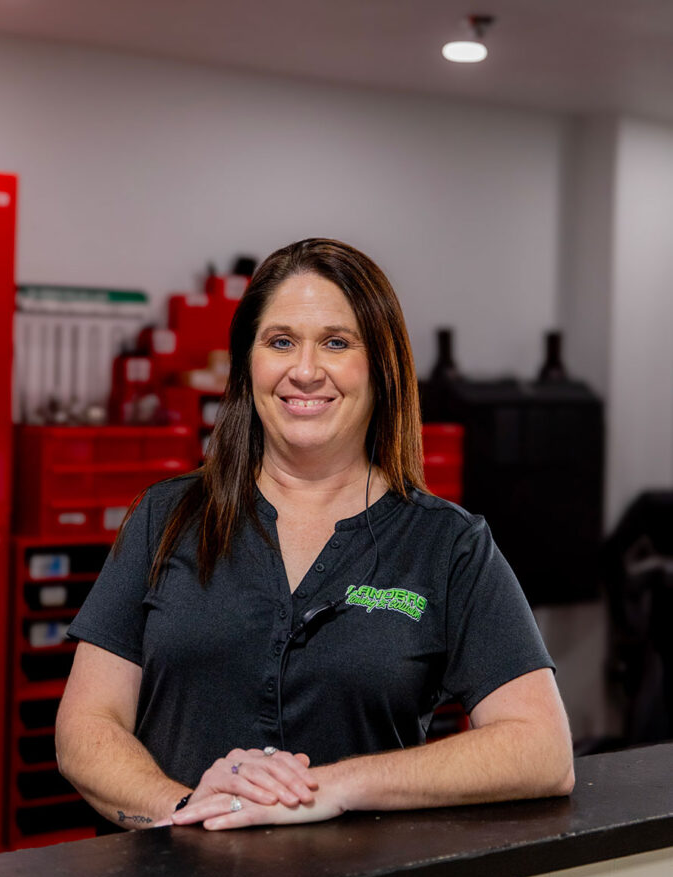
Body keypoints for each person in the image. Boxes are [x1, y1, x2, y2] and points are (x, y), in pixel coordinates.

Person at [55, 238, 574, 833]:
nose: (305, 370)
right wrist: (184, 810)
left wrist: (334, 786)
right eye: (280, 342)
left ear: (381, 365)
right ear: (248, 364)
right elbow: (84, 727)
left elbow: (542, 750)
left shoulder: (447, 545)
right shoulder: (167, 517)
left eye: (336, 342)